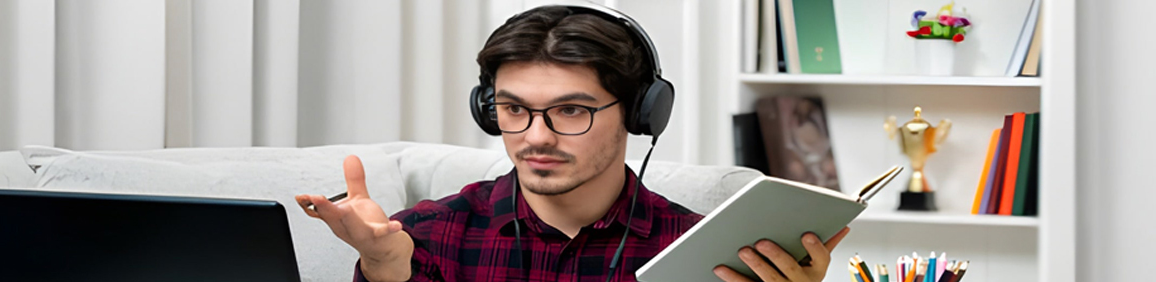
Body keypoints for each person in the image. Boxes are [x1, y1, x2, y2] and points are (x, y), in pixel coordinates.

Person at [294, 4, 849, 282]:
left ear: (639, 111)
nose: (536, 137)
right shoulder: (426, 237)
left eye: (570, 111)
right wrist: (385, 270)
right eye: (514, 109)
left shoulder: (702, 255)